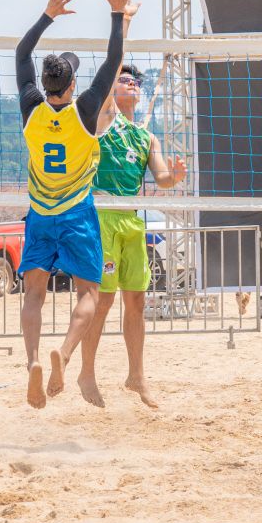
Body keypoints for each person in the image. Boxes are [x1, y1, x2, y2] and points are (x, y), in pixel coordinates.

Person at [15, 0, 137, 410]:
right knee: (89, 294)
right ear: (69, 87)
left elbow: (21, 54)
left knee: (34, 295)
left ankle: (32, 360)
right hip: (76, 212)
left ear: (46, 83)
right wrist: (118, 15)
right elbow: (113, 61)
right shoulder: (85, 112)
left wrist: (48, 15)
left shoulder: (30, 107)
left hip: (40, 212)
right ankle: (63, 356)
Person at [75, 58, 187, 409]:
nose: (132, 84)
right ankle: (87, 373)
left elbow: (163, 180)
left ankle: (136, 375)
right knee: (103, 301)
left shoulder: (146, 136)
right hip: (103, 216)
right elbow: (108, 80)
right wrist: (120, 29)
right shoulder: (104, 119)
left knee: (136, 301)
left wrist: (176, 176)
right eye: (125, 81)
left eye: (136, 82)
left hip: (132, 221)